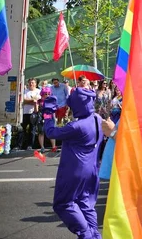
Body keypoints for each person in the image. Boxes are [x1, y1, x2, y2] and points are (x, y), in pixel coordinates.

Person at [43, 79, 102, 239]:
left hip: (75, 171)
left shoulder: (77, 126)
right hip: (91, 170)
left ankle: (87, 235)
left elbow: (50, 132)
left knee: (63, 204)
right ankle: (95, 235)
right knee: (85, 204)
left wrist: (48, 111)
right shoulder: (96, 118)